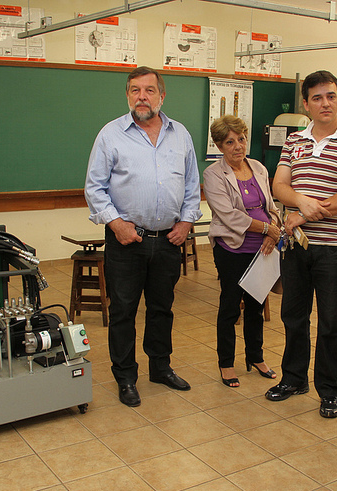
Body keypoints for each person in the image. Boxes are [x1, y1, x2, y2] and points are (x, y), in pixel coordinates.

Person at [85, 66, 202, 408]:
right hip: (126, 240)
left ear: (161, 96)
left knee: (162, 308)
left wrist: (185, 222)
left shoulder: (180, 135)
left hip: (168, 240)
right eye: (135, 90)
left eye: (149, 90)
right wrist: (116, 224)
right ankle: (125, 377)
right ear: (127, 95)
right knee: (123, 310)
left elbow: (192, 187)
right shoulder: (110, 135)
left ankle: (160, 368)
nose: (142, 96)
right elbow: (95, 188)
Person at [265, 70, 337, 419]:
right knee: (293, 316)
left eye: (332, 96)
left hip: (336, 249)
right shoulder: (294, 141)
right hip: (297, 246)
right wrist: (301, 203)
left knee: (331, 322)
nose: (326, 103)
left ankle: (329, 389)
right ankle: (294, 378)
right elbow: (279, 185)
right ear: (306, 103)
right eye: (318, 98)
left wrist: (305, 215)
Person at [202, 115, 281, 388]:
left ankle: (255, 356)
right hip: (232, 248)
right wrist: (265, 229)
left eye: (241, 139)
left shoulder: (258, 167)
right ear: (219, 146)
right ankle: (226, 363)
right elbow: (228, 215)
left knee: (256, 306)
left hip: (262, 248)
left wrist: (274, 229)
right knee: (230, 306)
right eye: (230, 142)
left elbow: (271, 206)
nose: (238, 146)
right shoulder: (213, 174)